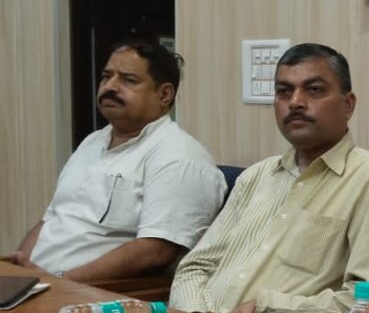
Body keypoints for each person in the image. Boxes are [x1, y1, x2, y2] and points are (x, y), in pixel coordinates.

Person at [168, 43, 369, 313]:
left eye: (314, 90)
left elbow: (366, 299)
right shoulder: (256, 176)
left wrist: (264, 307)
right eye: (284, 91)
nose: (295, 102)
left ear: (348, 105)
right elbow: (195, 266)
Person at [3, 41, 225, 281]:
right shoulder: (92, 142)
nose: (109, 86)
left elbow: (154, 252)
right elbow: (52, 219)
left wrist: (59, 283)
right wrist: (19, 275)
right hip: (41, 286)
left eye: (128, 80)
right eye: (106, 76)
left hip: (94, 294)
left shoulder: (179, 156)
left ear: (164, 94)